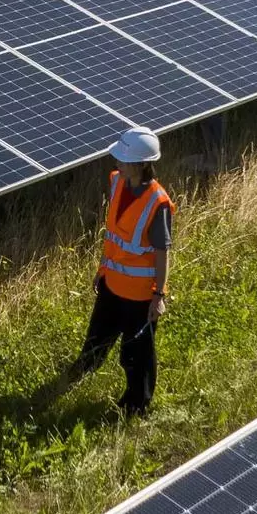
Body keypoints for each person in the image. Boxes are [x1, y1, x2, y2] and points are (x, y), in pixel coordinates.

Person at [61, 127, 171, 414]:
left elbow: (162, 253)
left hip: (138, 296)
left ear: (141, 164)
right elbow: (115, 236)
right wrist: (103, 268)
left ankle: (136, 405)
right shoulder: (117, 183)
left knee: (136, 354)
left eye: (123, 160)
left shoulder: (157, 204)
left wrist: (158, 295)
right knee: (97, 335)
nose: (117, 163)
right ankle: (82, 371)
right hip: (112, 283)